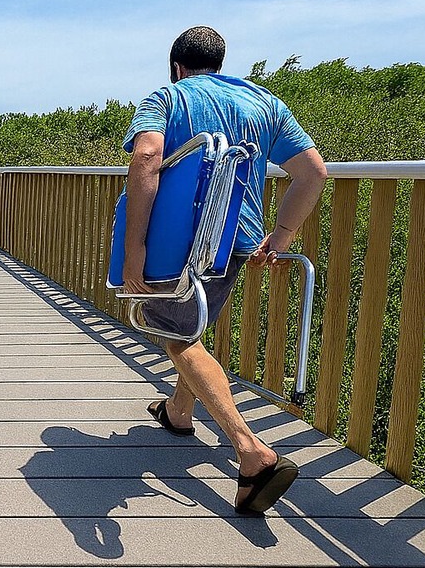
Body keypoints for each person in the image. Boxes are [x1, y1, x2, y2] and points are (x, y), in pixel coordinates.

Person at [120, 26, 327, 515]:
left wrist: (135, 249)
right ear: (220, 61)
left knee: (178, 340)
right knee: (190, 327)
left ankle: (251, 452)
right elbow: (313, 172)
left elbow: (147, 155)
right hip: (237, 239)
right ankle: (178, 412)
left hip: (180, 242)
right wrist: (282, 236)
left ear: (177, 66)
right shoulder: (263, 102)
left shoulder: (167, 97)